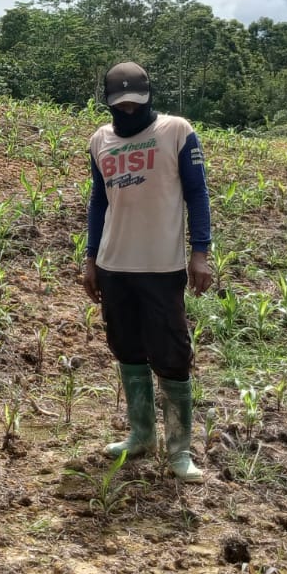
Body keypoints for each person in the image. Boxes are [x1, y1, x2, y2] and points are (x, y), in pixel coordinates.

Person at [80, 61, 213, 482]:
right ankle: (141, 436)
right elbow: (98, 202)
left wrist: (200, 252)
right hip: (114, 265)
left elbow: (197, 193)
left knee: (172, 354)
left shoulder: (176, 131)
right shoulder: (99, 140)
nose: (130, 112)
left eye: (137, 103)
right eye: (121, 105)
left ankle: (179, 450)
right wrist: (90, 259)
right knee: (127, 348)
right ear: (108, 102)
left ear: (150, 96)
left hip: (161, 265)